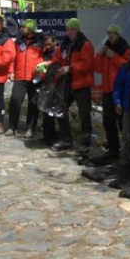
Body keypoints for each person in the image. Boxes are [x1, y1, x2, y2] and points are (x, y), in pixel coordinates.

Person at [50, 18, 95, 156]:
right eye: (68, 29)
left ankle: (85, 144)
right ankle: (66, 139)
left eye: (72, 29)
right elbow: (57, 59)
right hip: (67, 83)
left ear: (77, 30)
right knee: (60, 110)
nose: (70, 31)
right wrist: (52, 66)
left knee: (84, 115)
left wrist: (70, 68)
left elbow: (87, 64)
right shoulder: (64, 44)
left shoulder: (85, 44)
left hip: (82, 84)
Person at [93, 24, 130, 162]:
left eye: (113, 33)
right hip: (107, 91)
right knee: (108, 122)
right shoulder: (106, 48)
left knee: (123, 123)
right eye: (109, 33)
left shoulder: (126, 49)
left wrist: (113, 56)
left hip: (120, 92)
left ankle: (127, 152)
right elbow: (97, 68)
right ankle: (113, 150)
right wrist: (99, 54)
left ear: (118, 35)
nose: (111, 35)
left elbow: (128, 67)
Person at [6, 19, 44, 138]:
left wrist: (40, 72)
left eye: (24, 27)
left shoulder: (40, 42)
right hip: (20, 77)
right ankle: (12, 127)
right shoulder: (18, 41)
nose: (21, 29)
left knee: (33, 105)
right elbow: (13, 58)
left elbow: (44, 59)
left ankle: (30, 128)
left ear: (31, 29)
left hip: (34, 78)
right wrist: (11, 71)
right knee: (15, 101)